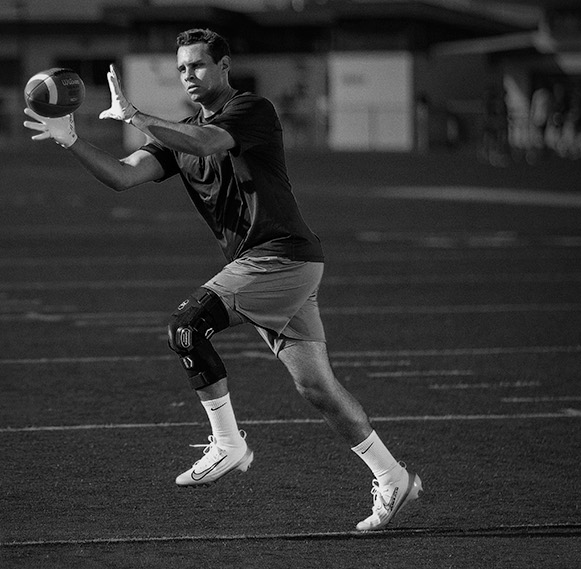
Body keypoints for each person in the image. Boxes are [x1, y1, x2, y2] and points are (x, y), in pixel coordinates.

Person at [23, 28, 421, 532]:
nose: (189, 75)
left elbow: (211, 140)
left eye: (198, 65)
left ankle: (229, 444)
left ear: (224, 66)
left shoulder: (251, 110)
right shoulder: (179, 132)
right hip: (272, 263)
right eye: (182, 69)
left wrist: (138, 116)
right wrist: (74, 141)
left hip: (280, 256)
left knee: (186, 327)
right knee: (316, 387)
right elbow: (124, 175)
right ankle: (392, 476)